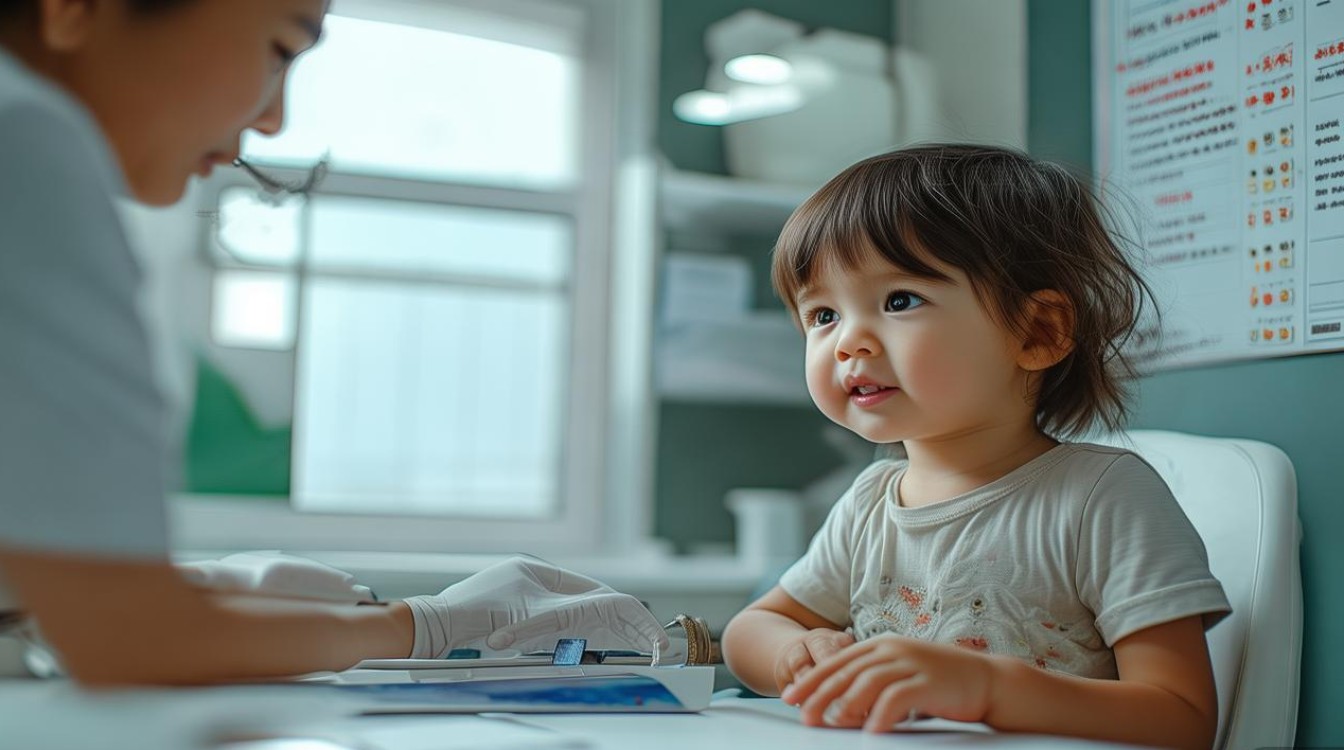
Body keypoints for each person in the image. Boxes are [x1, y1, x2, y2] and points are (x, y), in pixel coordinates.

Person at [0, 0, 664, 686]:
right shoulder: (26, 143)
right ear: (75, 8)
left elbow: (93, 612)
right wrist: (431, 625)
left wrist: (192, 587)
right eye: (281, 49)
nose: (271, 119)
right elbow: (130, 638)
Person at [720, 145, 1231, 749]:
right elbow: (752, 629)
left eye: (899, 300)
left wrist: (989, 689)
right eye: (823, 314)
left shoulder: (1104, 497)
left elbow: (1181, 718)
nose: (847, 342)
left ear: (1038, 332)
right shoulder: (870, 503)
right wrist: (796, 651)